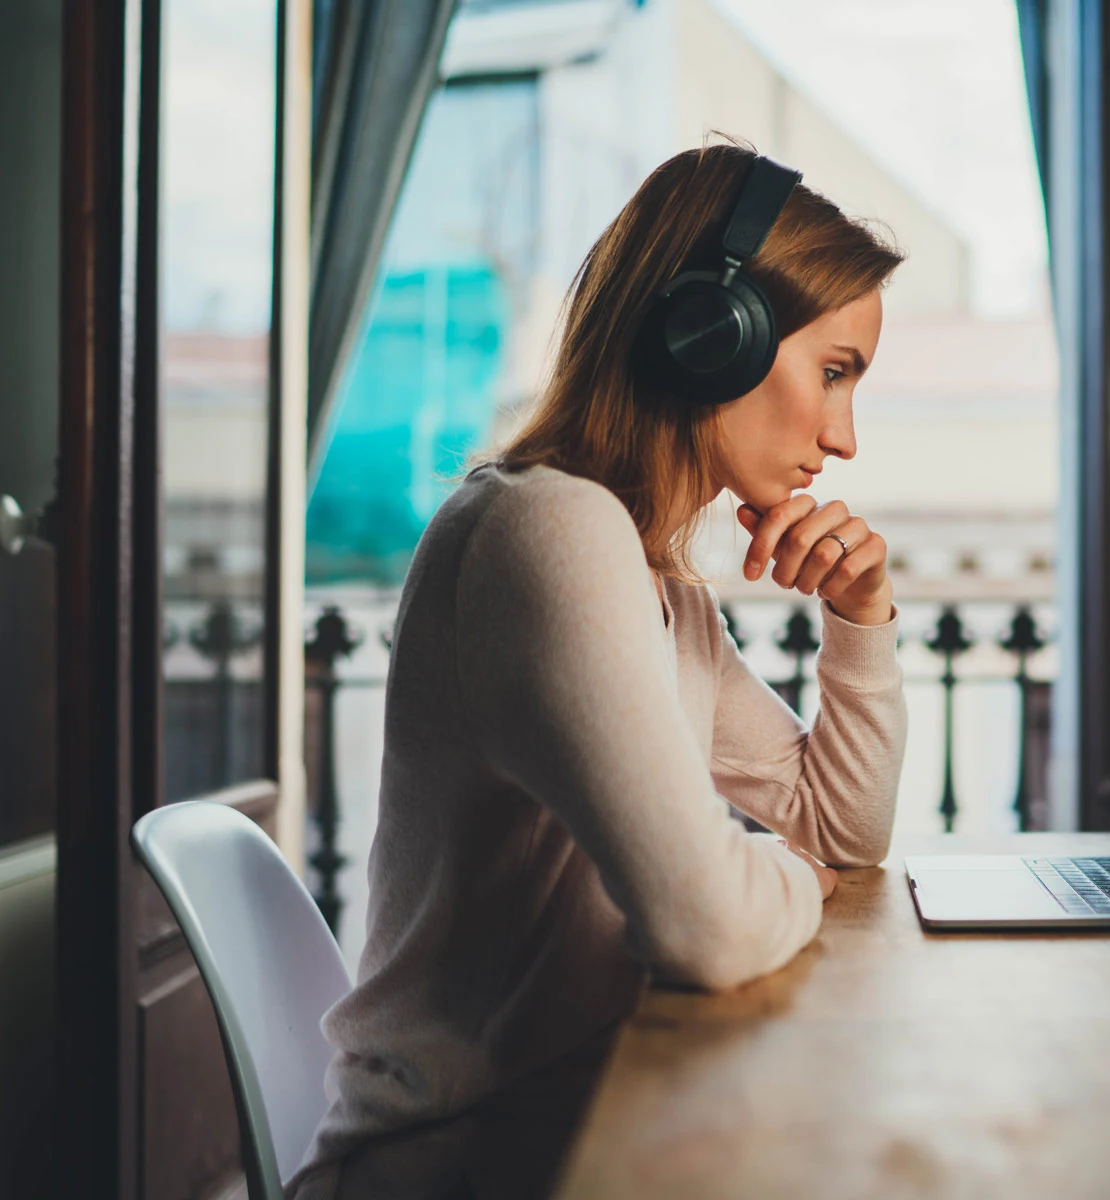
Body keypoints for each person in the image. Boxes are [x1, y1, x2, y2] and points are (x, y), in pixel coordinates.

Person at [288, 143, 908, 1200]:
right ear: (709, 336)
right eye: (834, 372)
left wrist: (861, 618)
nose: (841, 438)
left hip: (576, 1137)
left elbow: (839, 830)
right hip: (457, 1167)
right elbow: (709, 926)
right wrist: (790, 881)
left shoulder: (650, 582)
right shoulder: (545, 530)